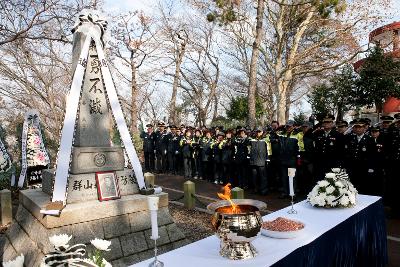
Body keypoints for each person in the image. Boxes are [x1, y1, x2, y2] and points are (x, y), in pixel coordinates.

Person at [343, 118, 376, 194]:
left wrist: (371, 167)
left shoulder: (369, 139)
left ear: (364, 128)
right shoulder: (350, 138)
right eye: (356, 127)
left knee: (363, 186)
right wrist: (346, 165)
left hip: (364, 167)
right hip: (352, 166)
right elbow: (347, 153)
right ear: (353, 128)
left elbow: (373, 155)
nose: (358, 129)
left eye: (360, 127)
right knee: (352, 186)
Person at [313, 115, 344, 181]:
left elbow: (341, 151)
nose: (326, 124)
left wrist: (339, 165)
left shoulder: (338, 135)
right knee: (319, 183)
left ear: (332, 123)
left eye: (328, 122)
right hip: (319, 163)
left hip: (332, 164)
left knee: (331, 184)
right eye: (324, 122)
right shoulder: (318, 133)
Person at [278, 120, 300, 198]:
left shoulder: (297, 135)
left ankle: (292, 193)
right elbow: (275, 133)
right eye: (287, 126)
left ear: (293, 126)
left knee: (292, 177)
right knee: (284, 177)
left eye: (290, 126)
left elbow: (299, 147)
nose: (288, 127)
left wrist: (298, 158)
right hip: (283, 159)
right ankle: (284, 192)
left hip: (292, 160)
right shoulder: (282, 134)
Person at [385, 114, 400, 218]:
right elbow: (388, 147)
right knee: (394, 187)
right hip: (394, 164)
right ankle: (394, 210)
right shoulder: (393, 132)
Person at [249, 127, 268, 195]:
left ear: (262, 132)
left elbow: (268, 149)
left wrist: (267, 159)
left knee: (263, 177)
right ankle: (255, 189)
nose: (258, 133)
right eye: (257, 131)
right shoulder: (252, 139)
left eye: (259, 131)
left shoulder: (265, 139)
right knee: (254, 177)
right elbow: (249, 149)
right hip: (253, 161)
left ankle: (263, 190)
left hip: (262, 161)